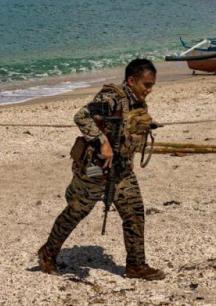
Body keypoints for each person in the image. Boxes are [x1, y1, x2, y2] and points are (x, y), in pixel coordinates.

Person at [37, 58, 165, 281]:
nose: (150, 90)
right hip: (96, 170)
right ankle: (47, 253)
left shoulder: (136, 102)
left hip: (122, 171)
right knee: (76, 212)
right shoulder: (111, 99)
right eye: (146, 85)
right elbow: (81, 116)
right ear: (131, 80)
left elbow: (128, 127)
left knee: (135, 214)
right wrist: (101, 142)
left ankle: (136, 266)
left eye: (152, 85)